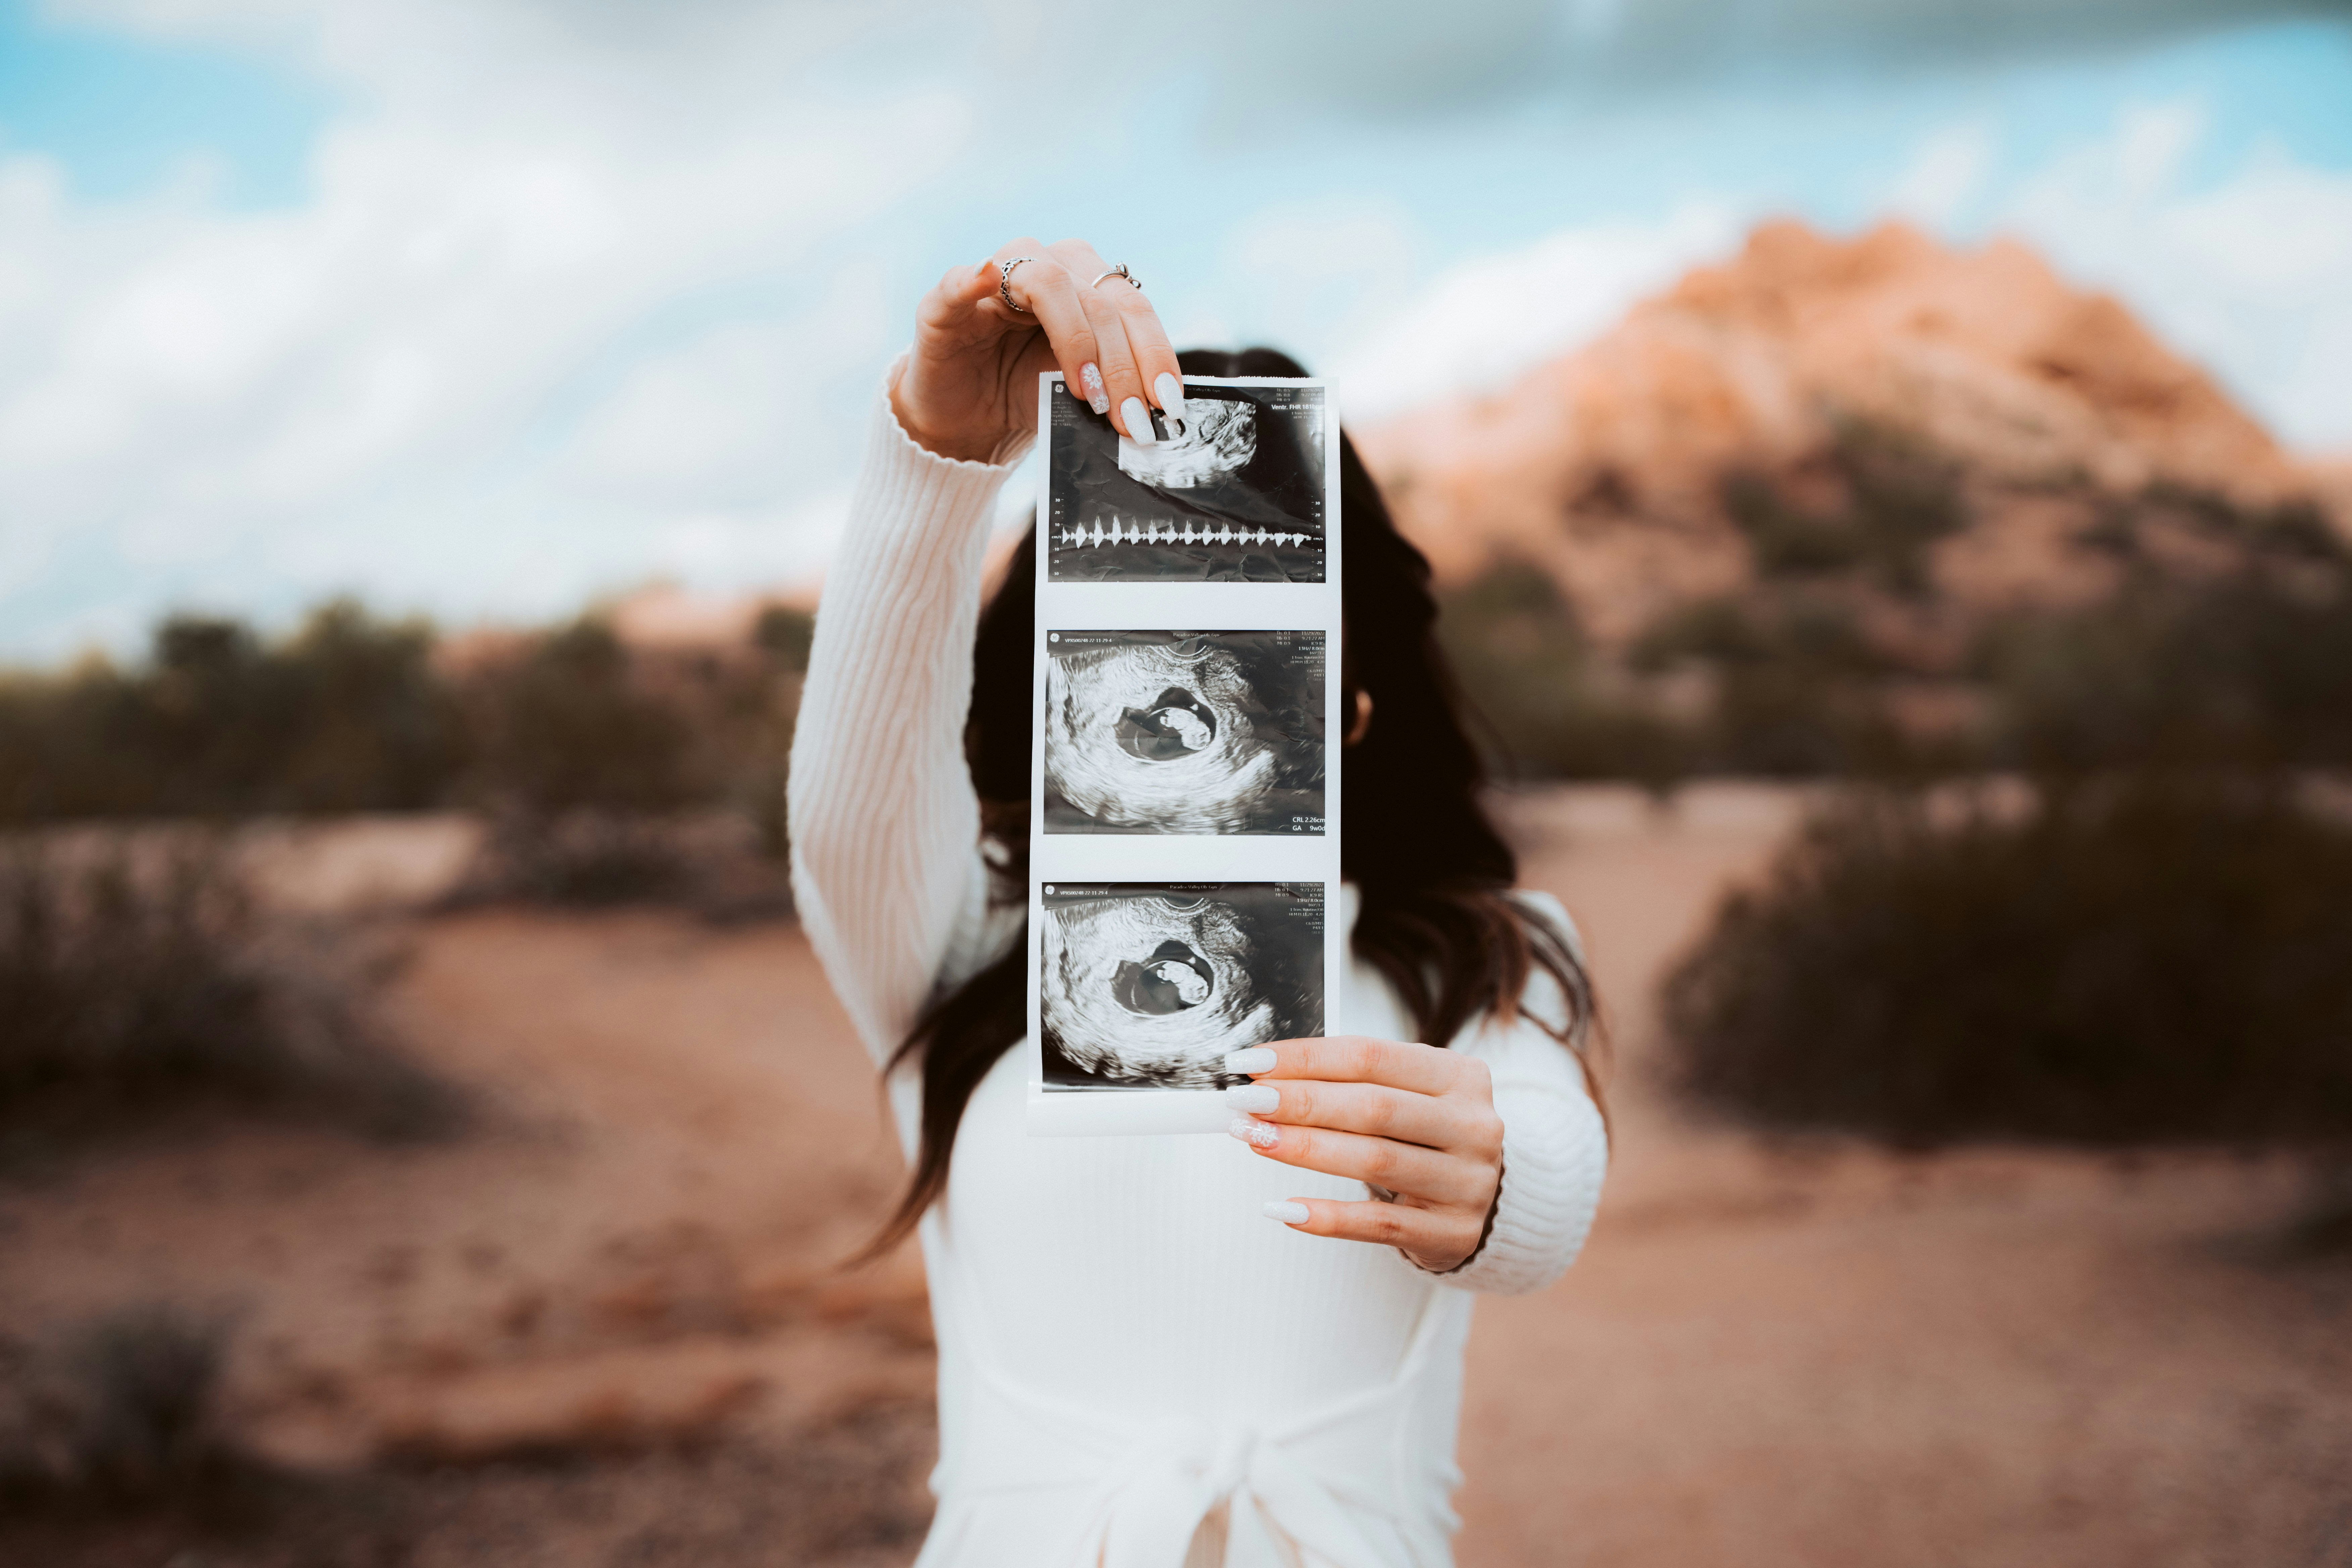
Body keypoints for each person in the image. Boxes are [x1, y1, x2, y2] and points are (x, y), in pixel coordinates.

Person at [788, 237, 1611, 1568]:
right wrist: (943, 458)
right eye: (1131, 600)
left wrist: (1508, 1181)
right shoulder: (975, 934)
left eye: (1258, 605)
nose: (1190, 656)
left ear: (1350, 678)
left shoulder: (1489, 954)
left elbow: (1552, 1158)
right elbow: (845, 816)